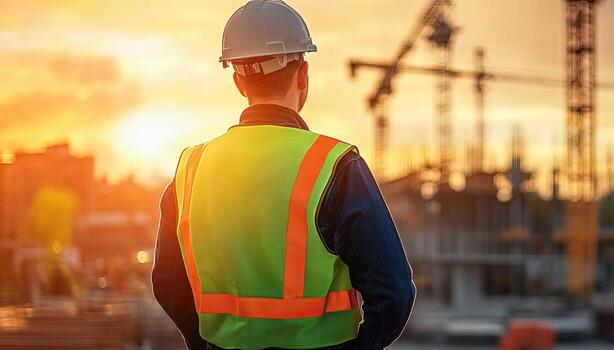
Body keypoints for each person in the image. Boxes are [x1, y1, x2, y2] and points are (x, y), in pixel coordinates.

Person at [151, 1, 416, 349]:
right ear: (303, 74)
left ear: (237, 82)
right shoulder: (336, 165)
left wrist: (203, 344)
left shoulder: (191, 167)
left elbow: (169, 284)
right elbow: (393, 294)